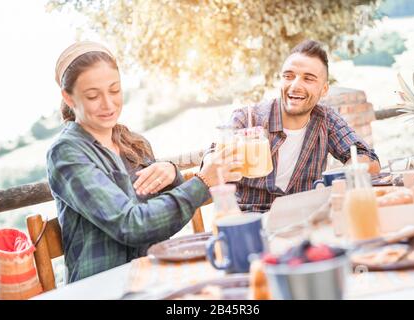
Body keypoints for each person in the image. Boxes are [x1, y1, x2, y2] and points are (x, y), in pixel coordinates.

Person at [47, 41, 242, 283]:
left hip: (157, 275)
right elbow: (131, 226)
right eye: (93, 95)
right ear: (69, 97)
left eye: (115, 90)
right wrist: (202, 183)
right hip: (105, 286)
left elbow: (164, 222)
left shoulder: (133, 142)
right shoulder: (66, 152)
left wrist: (171, 172)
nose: (108, 104)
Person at [207, 39, 380, 213]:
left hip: (305, 221)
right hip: (248, 224)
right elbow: (210, 165)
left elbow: (367, 158)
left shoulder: (326, 120)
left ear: (324, 89)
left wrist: (335, 181)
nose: (295, 85)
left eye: (308, 79)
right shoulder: (247, 118)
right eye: (288, 76)